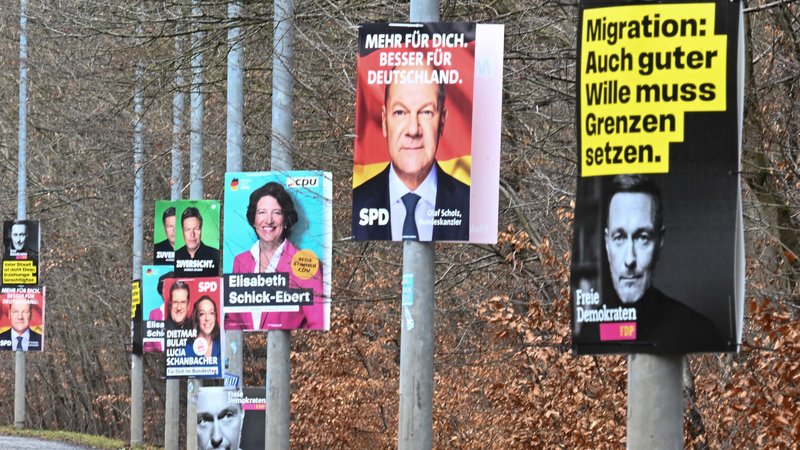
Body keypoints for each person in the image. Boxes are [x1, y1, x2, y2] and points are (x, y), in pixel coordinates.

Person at [592, 174, 725, 351]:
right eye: (619, 238)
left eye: (642, 237)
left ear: (660, 240)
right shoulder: (590, 332)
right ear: (606, 242)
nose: (630, 259)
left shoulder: (698, 332)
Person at [352, 62, 470, 241]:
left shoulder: (471, 205)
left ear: (442, 120)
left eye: (426, 112)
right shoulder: (357, 202)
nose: (413, 130)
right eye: (400, 112)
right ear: (384, 121)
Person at [228, 182, 324, 330]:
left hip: (288, 345)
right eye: (262, 212)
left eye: (276, 213)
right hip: (247, 345)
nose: (269, 220)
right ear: (253, 220)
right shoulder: (240, 262)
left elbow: (318, 323)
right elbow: (232, 319)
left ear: (285, 220)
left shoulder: (305, 263)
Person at [174, 207, 219, 276]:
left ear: (201, 229)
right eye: (188, 229)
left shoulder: (215, 255)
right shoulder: (175, 257)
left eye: (196, 229)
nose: (192, 234)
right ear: (182, 231)